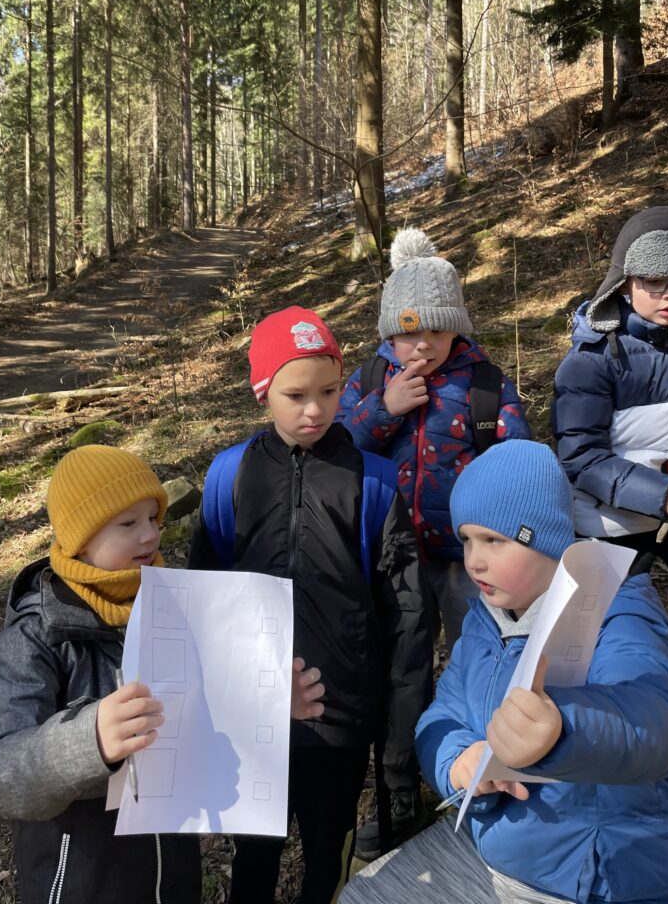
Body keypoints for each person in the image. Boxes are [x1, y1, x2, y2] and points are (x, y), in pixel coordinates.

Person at [0, 444, 325, 904]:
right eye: (128, 523)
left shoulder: (174, 607)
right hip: (82, 882)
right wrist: (89, 741)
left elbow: (208, 706)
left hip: (174, 874)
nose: (150, 535)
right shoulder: (35, 639)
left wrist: (269, 704)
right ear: (80, 537)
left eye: (154, 519)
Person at [340, 439, 668, 904]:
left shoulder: (615, 612)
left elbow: (653, 721)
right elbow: (443, 714)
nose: (473, 560)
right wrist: (458, 760)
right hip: (500, 848)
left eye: (494, 540)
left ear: (547, 539)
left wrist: (563, 730)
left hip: (598, 877)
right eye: (467, 540)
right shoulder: (485, 619)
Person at [187, 306, 432, 904]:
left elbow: (407, 616)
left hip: (340, 718)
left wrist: (399, 736)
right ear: (263, 393)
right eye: (295, 395)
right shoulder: (229, 477)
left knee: (329, 855)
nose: (315, 410)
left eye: (328, 391)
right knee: (253, 858)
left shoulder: (374, 483)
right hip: (253, 717)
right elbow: (202, 600)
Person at [337, 227, 530, 858]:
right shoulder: (370, 379)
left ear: (457, 329)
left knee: (485, 662)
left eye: (436, 330)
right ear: (388, 333)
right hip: (392, 560)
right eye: (407, 332)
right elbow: (334, 448)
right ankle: (400, 789)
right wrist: (382, 409)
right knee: (402, 673)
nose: (421, 344)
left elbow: (518, 462)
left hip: (469, 562)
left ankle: (491, 774)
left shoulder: (484, 385)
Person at [553, 204, 668, 573]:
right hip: (609, 525)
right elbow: (582, 458)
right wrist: (665, 495)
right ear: (624, 282)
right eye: (655, 280)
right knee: (621, 604)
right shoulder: (590, 360)